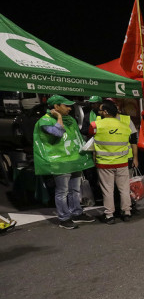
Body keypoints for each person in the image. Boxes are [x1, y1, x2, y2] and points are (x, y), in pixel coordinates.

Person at [32, 95, 96, 229]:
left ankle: (77, 213)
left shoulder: (71, 120)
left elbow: (77, 138)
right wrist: (59, 118)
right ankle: (64, 218)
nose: (69, 108)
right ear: (56, 107)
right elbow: (58, 133)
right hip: (59, 162)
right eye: (66, 105)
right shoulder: (45, 121)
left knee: (75, 189)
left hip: (74, 160)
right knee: (62, 191)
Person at [90, 100, 133, 224]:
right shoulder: (125, 126)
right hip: (122, 162)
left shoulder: (95, 125)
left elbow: (90, 135)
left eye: (100, 110)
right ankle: (127, 212)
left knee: (107, 190)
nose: (99, 112)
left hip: (104, 163)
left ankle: (109, 215)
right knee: (124, 188)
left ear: (105, 112)